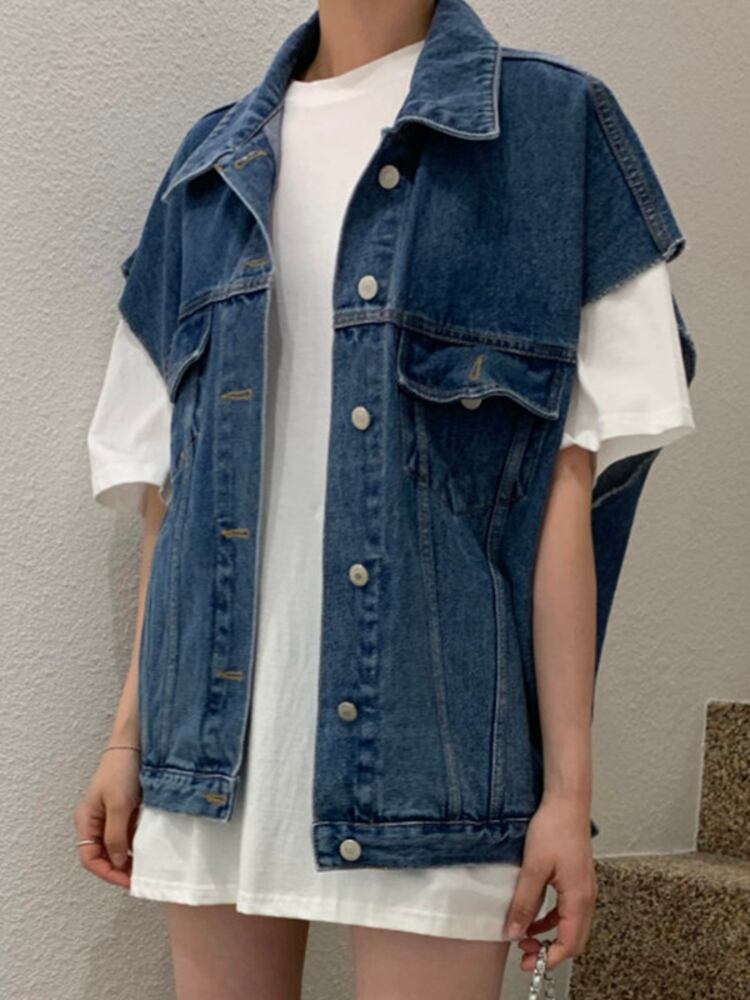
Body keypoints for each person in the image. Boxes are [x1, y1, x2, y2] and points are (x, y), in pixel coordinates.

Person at [75, 0, 696, 997]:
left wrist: (566, 795)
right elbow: (172, 498)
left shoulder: (551, 128)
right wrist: (127, 738)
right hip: (211, 753)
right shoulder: (210, 163)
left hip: (441, 765)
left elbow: (565, 492)